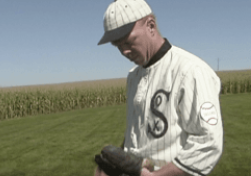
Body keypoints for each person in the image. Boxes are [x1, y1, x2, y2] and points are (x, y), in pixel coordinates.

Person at [94, 0, 224, 176]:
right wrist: (116, 165)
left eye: (128, 41)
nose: (124, 51)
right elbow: (136, 132)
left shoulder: (191, 70)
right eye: (118, 46)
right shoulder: (133, 77)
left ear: (151, 26)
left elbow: (208, 142)